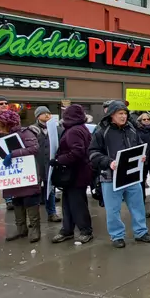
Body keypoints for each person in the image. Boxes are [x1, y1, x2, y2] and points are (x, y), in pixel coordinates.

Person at [89, 100, 150, 248]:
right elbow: (93, 153)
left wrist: (142, 156)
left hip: (131, 176)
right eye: (120, 113)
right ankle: (117, 236)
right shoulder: (101, 131)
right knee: (113, 209)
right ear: (112, 114)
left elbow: (138, 146)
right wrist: (108, 162)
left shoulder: (131, 129)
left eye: (125, 113)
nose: (123, 116)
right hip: (110, 177)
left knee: (138, 205)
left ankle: (141, 232)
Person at [0, 109, 43, 243]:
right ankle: (21, 229)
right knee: (17, 201)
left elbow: (34, 148)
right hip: (14, 177)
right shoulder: (3, 137)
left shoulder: (25, 133)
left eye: (0, 124)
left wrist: (13, 154)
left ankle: (34, 229)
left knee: (30, 201)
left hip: (27, 175)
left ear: (7, 123)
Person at [50, 104, 93, 244]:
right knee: (68, 203)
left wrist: (58, 160)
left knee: (77, 204)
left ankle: (85, 230)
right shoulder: (79, 128)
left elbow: (77, 152)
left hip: (75, 173)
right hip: (77, 173)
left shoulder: (74, 130)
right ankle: (67, 229)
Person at [28, 106, 61, 223]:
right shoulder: (32, 129)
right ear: (38, 116)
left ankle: (52, 213)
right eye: (43, 113)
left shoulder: (55, 129)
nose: (47, 115)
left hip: (50, 164)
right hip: (36, 163)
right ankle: (34, 218)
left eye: (48, 112)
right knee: (34, 191)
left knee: (50, 189)